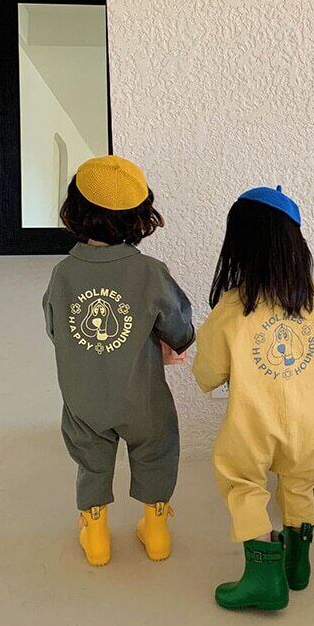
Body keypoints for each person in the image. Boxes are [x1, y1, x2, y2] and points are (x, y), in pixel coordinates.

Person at [193, 186, 314, 610]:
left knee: (241, 482)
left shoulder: (232, 309)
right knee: (300, 485)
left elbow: (206, 373)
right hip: (310, 429)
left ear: (239, 247)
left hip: (252, 429)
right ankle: (297, 566)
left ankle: (264, 579)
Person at [42, 156, 194, 566]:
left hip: (84, 398)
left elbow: (56, 329)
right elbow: (179, 325)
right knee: (157, 447)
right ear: (140, 217)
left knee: (90, 458)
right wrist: (173, 343)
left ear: (74, 209)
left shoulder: (63, 274)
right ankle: (156, 529)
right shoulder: (150, 272)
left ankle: (95, 534)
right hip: (141, 396)